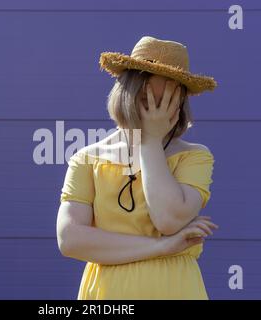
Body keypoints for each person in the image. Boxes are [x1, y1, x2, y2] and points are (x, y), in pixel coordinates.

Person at [56, 36, 219, 299]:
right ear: (129, 90)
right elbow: (70, 239)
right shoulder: (87, 158)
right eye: (147, 98)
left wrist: (150, 140)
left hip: (175, 288)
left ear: (180, 102)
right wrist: (163, 247)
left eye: (167, 98)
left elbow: (168, 219)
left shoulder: (195, 157)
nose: (154, 108)